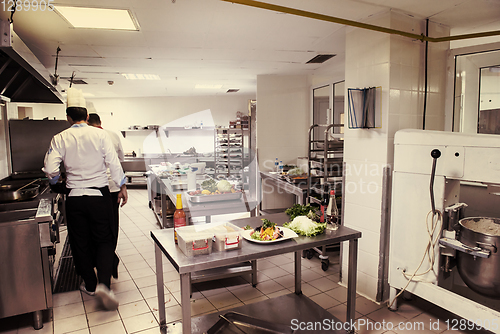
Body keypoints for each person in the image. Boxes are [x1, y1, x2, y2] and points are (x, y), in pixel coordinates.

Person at [42, 88, 127, 311]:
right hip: (99, 195)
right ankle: (104, 286)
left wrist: (54, 182)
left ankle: (89, 284)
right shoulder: (100, 135)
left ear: (68, 117)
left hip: (75, 198)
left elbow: (50, 168)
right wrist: (122, 187)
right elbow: (114, 165)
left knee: (80, 241)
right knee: (105, 240)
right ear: (88, 117)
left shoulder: (60, 137)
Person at [87, 112, 124, 280]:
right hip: (113, 187)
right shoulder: (113, 135)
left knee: (96, 227)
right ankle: (110, 258)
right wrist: (122, 185)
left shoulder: (87, 138)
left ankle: (107, 259)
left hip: (95, 189)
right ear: (100, 121)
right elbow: (119, 160)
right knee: (112, 225)